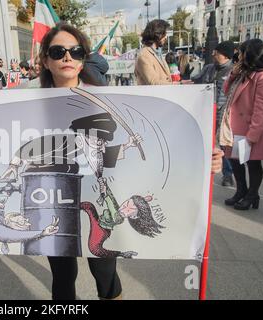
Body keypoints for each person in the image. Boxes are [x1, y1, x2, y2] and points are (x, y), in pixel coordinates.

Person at [36, 22, 123, 301]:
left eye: (75, 51)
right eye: (58, 51)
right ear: (45, 60)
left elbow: (116, 151)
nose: (67, 58)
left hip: (94, 196)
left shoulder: (103, 99)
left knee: (105, 270)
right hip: (52, 200)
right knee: (62, 275)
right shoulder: (24, 103)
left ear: (83, 57)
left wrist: (206, 158)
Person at [220, 39, 263, 211]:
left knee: (253, 164)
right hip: (235, 126)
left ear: (250, 54)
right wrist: (233, 73)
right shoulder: (242, 72)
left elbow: (261, 108)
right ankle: (241, 190)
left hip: (250, 128)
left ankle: (252, 195)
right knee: (234, 160)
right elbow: (226, 90)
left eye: (241, 52)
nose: (238, 55)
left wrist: (253, 135)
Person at [192, 40, 235, 187]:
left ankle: (228, 175)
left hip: (223, 115)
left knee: (223, 146)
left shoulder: (233, 71)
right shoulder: (209, 68)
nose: (213, 54)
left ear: (225, 55)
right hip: (205, 112)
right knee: (203, 141)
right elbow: (195, 80)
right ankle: (203, 171)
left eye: (216, 52)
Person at [135, 20, 176, 85]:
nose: (166, 37)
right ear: (157, 34)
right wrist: (178, 84)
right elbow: (154, 82)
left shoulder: (157, 53)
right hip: (153, 94)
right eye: (164, 34)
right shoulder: (144, 56)